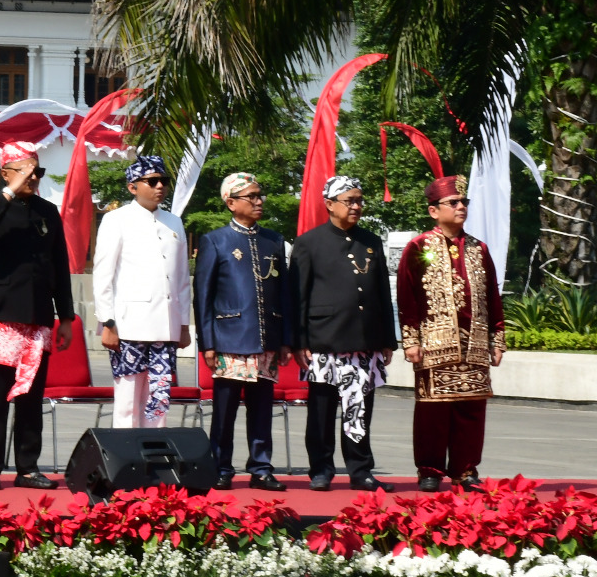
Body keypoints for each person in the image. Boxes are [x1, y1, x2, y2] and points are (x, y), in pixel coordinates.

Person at [0, 141, 72, 491]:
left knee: (31, 399)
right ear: (6, 174)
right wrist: (10, 192)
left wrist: (66, 318)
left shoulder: (47, 211)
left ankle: (27, 468)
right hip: (0, 319)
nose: (34, 179)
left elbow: (60, 266)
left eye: (37, 172)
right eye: (26, 172)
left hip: (37, 318)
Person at [396, 175, 505, 493]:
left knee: (471, 408)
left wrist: (498, 339)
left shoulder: (478, 248)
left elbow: (493, 298)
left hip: (475, 343)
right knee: (433, 411)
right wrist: (411, 340)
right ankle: (429, 469)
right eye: (453, 203)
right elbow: (407, 297)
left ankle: (465, 469)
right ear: (434, 211)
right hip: (434, 344)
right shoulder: (418, 246)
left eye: (464, 203)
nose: (461, 207)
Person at [290, 176, 397, 492]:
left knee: (359, 409)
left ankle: (360, 470)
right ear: (330, 204)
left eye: (360, 201)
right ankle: (321, 469)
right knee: (321, 413)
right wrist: (299, 340)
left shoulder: (371, 241)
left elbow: (380, 292)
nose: (356, 206)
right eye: (349, 200)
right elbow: (299, 296)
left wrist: (387, 339)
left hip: (364, 341)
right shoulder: (309, 242)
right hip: (324, 340)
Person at [192, 172, 291, 491]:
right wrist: (207, 342)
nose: (259, 201)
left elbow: (285, 293)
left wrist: (286, 338)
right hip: (229, 339)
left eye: (261, 195)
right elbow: (203, 296)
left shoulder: (274, 240)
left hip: (266, 339)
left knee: (263, 409)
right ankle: (220, 466)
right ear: (231, 202)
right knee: (225, 411)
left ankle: (261, 468)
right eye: (252, 196)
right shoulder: (214, 241)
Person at [93, 154, 191, 429]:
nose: (160, 186)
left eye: (164, 181)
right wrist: (108, 322)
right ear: (132, 186)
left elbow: (182, 279)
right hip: (128, 326)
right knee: (127, 399)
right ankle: (127, 463)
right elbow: (103, 275)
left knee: (158, 398)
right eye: (152, 181)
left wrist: (183, 324)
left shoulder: (174, 222)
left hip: (166, 326)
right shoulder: (116, 220)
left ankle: (154, 457)